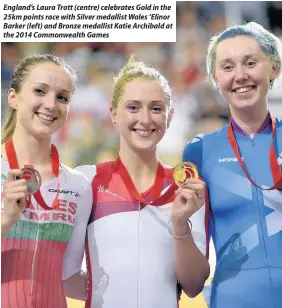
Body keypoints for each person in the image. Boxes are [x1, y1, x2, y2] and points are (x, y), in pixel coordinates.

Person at [62, 56, 210, 308]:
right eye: (133, 107)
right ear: (114, 114)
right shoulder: (86, 180)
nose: (145, 119)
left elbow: (194, 285)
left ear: (170, 116)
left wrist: (179, 224)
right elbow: (66, 276)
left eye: (156, 108)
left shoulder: (186, 186)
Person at [182, 22, 282, 308]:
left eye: (251, 63)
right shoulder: (199, 150)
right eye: (227, 67)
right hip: (233, 299)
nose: (240, 75)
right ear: (215, 78)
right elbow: (193, 251)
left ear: (273, 68)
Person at [1, 54, 92, 308]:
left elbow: (69, 277)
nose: (51, 104)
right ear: (14, 97)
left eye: (62, 97)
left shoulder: (79, 185)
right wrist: (5, 221)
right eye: (40, 91)